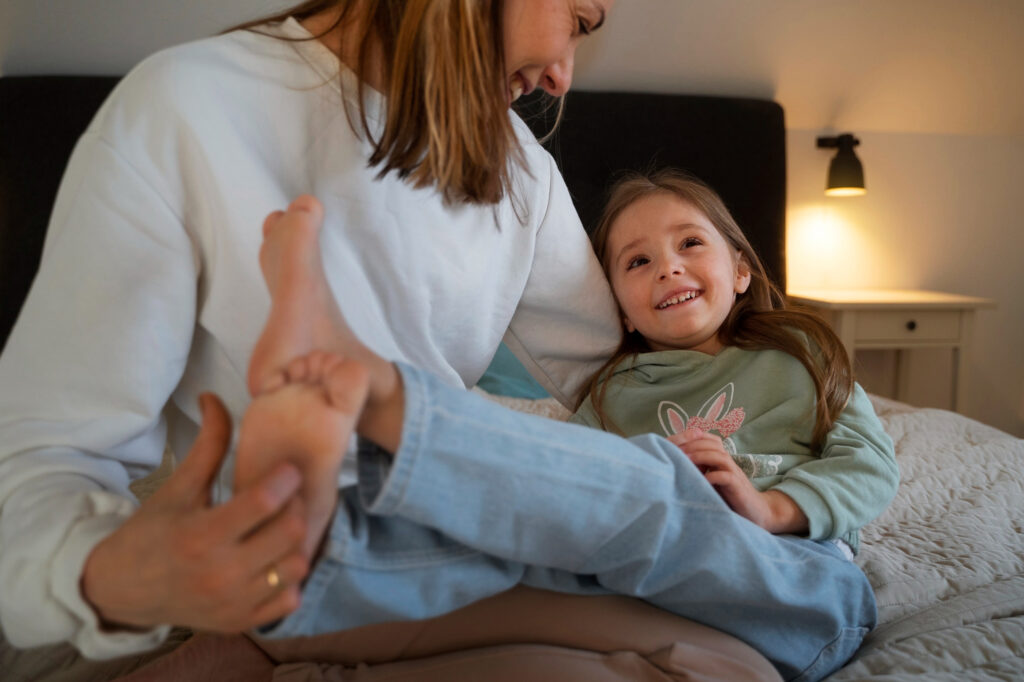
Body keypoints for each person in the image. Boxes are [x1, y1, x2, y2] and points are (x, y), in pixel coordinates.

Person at [0, 2, 870, 680]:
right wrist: (110, 575)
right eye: (578, 17)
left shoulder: (515, 166)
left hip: (374, 567)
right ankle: (372, 397)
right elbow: (37, 460)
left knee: (731, 662)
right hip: (288, 555)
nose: (564, 72)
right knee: (825, 607)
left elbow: (588, 413)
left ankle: (283, 629)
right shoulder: (186, 110)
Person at [570, 169, 899, 556]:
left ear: (740, 271)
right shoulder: (612, 396)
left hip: (795, 541)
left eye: (690, 242)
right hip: (674, 546)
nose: (668, 268)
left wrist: (770, 510)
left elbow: (869, 465)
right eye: (638, 261)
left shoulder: (799, 354)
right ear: (619, 309)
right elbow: (573, 488)